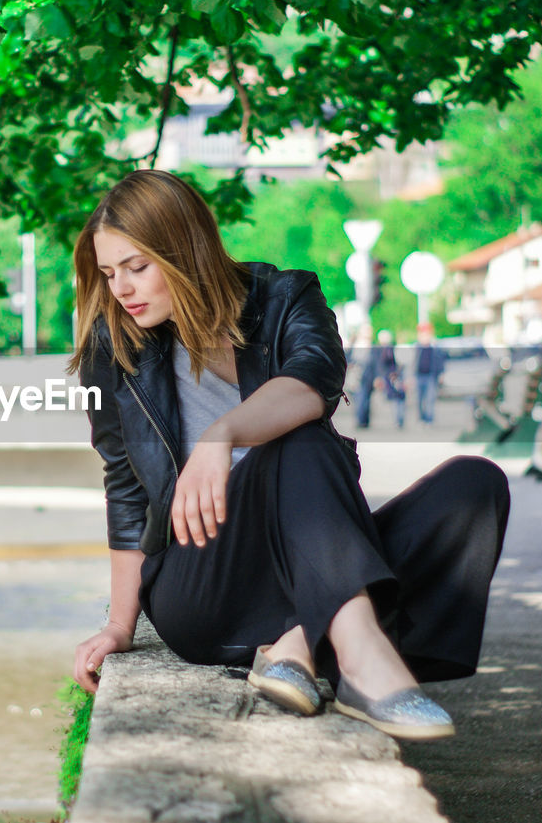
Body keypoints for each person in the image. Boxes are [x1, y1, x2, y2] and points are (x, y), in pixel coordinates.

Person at [66, 170, 510, 740]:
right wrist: (121, 625)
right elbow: (124, 488)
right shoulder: (114, 347)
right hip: (201, 580)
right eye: (109, 273)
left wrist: (221, 434)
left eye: (137, 267)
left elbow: (313, 383)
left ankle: (299, 642)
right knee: (299, 441)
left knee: (474, 486)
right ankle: (360, 659)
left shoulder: (284, 299)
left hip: (304, 562)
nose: (122, 289)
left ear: (185, 249)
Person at [413, 322, 446, 426]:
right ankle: (422, 418)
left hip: (431, 376)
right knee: (419, 399)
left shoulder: (435, 347)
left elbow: (440, 361)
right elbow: (412, 363)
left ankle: (429, 419)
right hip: (419, 376)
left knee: (430, 398)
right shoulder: (417, 347)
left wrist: (441, 374)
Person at [376, 329, 405, 428]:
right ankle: (398, 419)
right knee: (397, 398)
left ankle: (399, 419)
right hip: (391, 377)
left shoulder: (389, 349)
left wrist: (395, 374)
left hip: (394, 376)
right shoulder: (385, 349)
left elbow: (398, 363)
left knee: (397, 398)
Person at [351, 325, 376, 429]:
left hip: (369, 376)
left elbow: (376, 363)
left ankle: (365, 420)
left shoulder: (372, 346)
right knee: (360, 398)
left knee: (366, 399)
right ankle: (361, 420)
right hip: (358, 375)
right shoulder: (357, 344)